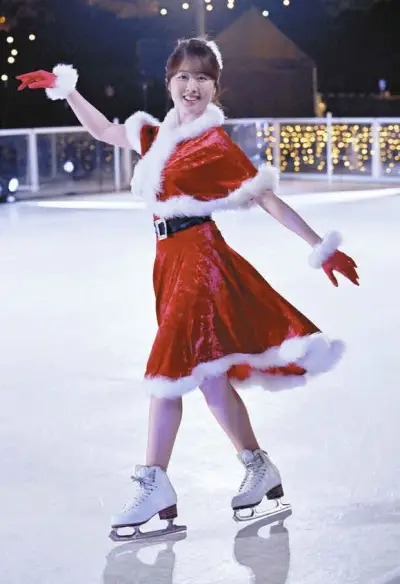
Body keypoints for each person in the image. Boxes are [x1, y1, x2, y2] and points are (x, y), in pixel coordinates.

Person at [16, 38, 359, 541]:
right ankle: (259, 467)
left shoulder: (215, 144)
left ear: (215, 87)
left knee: (169, 367)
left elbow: (267, 199)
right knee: (209, 376)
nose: (192, 86)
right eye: (183, 76)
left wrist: (319, 246)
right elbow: (104, 129)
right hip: (169, 263)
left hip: (200, 261)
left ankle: (154, 481)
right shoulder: (154, 136)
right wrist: (66, 89)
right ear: (169, 83)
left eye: (202, 77)